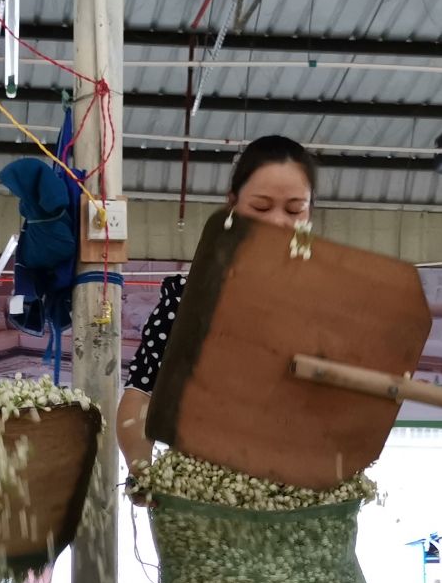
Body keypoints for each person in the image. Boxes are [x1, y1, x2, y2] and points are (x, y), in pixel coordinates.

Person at [116, 135, 318, 470]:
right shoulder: (187, 298)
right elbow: (141, 393)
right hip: (202, 493)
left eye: (295, 209)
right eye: (261, 207)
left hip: (298, 493)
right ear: (232, 206)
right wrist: (143, 470)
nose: (279, 221)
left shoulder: (328, 303)